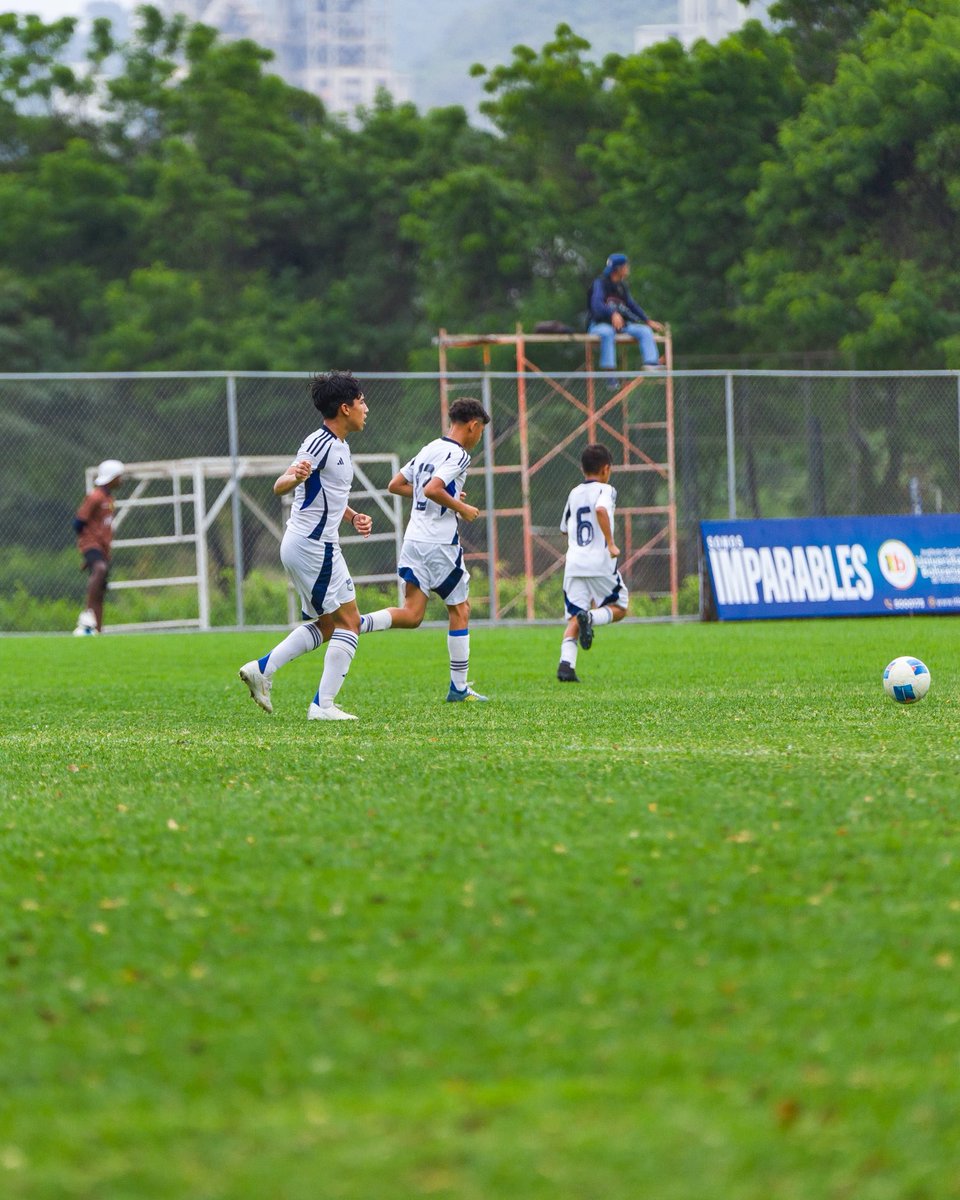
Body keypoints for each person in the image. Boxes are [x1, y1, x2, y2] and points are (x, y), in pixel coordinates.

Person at [238, 370, 372, 722]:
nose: (366, 408)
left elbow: (326, 495)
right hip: (314, 545)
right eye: (361, 402)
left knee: (330, 624)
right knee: (349, 622)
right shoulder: (320, 442)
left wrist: (352, 515)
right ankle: (322, 706)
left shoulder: (339, 445)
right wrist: (293, 476)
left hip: (319, 543)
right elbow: (282, 484)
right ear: (345, 408)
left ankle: (262, 669)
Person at [357, 397, 492, 702]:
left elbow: (396, 484)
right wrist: (461, 506)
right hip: (440, 544)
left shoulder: (430, 448)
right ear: (472, 425)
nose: (479, 437)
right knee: (460, 609)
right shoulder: (459, 454)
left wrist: (449, 493)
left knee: (413, 614)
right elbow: (432, 489)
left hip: (414, 540)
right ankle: (459, 688)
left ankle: (360, 622)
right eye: (480, 431)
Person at [556, 443, 629, 683]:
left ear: (582, 468)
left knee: (574, 617)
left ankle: (566, 666)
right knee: (620, 607)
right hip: (599, 562)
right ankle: (592, 618)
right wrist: (610, 542)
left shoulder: (574, 492)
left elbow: (564, 529)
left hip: (574, 563)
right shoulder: (606, 490)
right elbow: (600, 510)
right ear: (606, 469)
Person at [587, 252, 665, 383]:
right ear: (619, 269)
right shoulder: (600, 283)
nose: (628, 268)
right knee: (607, 332)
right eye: (626, 266)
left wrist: (647, 320)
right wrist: (612, 313)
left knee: (644, 331)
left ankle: (651, 365)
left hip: (620, 326)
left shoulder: (622, 286)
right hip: (599, 325)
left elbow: (632, 305)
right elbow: (596, 304)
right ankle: (610, 375)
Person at [73, 458, 124, 634]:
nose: (121, 479)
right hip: (91, 544)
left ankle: (97, 631)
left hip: (102, 548)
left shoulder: (109, 499)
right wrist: (87, 548)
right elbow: (78, 523)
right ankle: (87, 614)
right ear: (111, 478)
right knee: (100, 569)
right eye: (119, 476)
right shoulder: (95, 497)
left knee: (100, 590)